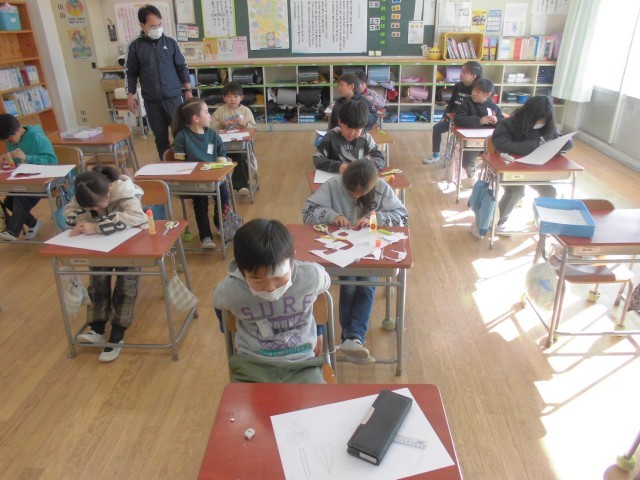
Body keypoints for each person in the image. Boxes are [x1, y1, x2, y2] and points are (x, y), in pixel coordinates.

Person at [302, 160, 408, 360]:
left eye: (361, 194)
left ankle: (353, 337)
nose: (356, 197)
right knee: (349, 285)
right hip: (340, 249)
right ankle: (352, 337)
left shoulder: (382, 188)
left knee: (366, 286)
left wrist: (375, 218)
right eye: (351, 193)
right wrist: (332, 216)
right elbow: (308, 212)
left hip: (371, 250)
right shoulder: (333, 185)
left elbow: (402, 217)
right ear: (344, 181)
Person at [213, 219, 331, 383]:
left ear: (292, 262)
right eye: (258, 281)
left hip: (302, 365)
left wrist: (318, 330)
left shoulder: (310, 276)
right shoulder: (232, 289)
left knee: (318, 400)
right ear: (242, 271)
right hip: (251, 366)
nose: (270, 288)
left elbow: (320, 294)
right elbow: (218, 303)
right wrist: (225, 327)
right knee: (240, 400)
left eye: (278, 277)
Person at [63, 165, 148, 362]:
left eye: (97, 205)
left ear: (109, 190)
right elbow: (69, 212)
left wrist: (97, 226)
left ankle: (117, 334)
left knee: (126, 284)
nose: (95, 209)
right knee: (97, 281)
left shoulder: (125, 193)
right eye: (91, 207)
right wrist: (81, 222)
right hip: (100, 247)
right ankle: (97, 328)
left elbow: (138, 216)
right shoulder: (86, 194)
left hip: (131, 248)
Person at [492, 95, 573, 232]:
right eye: (538, 119)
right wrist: (535, 145)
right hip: (511, 168)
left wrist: (566, 142)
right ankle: (497, 222)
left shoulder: (547, 127)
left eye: (544, 120)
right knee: (516, 191)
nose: (541, 122)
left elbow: (559, 139)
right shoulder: (508, 124)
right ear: (528, 114)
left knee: (550, 191)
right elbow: (502, 144)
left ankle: (542, 219)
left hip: (535, 169)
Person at [125, 4, 192, 160]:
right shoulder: (135, 46)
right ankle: (165, 164)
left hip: (173, 98)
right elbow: (130, 73)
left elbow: (182, 67)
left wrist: (188, 90)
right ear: (142, 25)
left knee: (182, 134)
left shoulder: (170, 42)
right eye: (153, 26)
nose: (157, 28)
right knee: (161, 138)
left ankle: (186, 165)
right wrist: (130, 95)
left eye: (160, 25)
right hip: (152, 101)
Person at [171, 97, 228, 249]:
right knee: (200, 202)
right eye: (207, 112)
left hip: (214, 177)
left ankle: (221, 224)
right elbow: (180, 163)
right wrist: (194, 174)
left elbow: (221, 153)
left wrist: (219, 167)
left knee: (223, 195)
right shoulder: (182, 136)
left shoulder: (212, 134)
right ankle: (206, 236)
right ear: (196, 118)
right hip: (195, 180)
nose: (210, 116)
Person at [0, 114, 57, 241]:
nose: (9, 143)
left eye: (10, 140)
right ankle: (33, 223)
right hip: (24, 179)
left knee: (20, 199)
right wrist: (6, 156)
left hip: (45, 179)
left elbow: (51, 160)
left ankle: (13, 232)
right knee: (9, 201)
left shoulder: (36, 137)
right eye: (6, 141)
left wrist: (27, 157)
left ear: (18, 130)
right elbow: (16, 158)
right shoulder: (12, 138)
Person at [424, 60, 482, 164]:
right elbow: (451, 102)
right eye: (461, 71)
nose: (461, 74)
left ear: (473, 76)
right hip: (454, 119)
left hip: (467, 122)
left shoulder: (477, 91)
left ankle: (465, 158)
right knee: (437, 128)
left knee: (459, 138)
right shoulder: (458, 86)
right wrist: (445, 115)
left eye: (464, 72)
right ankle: (436, 155)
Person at [211, 81, 257, 196]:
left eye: (235, 96)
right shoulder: (220, 111)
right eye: (229, 96)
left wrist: (245, 124)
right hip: (223, 144)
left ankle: (241, 186)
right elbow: (210, 128)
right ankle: (215, 186)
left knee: (240, 157)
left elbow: (254, 128)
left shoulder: (245, 111)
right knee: (216, 157)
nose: (232, 99)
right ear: (223, 98)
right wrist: (220, 124)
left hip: (242, 144)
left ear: (241, 97)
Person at [313, 100, 385, 173]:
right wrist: (337, 166)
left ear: (363, 126)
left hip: (358, 177)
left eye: (357, 130)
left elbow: (380, 161)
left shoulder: (366, 138)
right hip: (334, 177)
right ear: (340, 121)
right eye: (348, 128)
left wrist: (367, 165)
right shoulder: (331, 136)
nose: (352, 133)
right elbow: (317, 159)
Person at [453, 78, 503, 179]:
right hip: (472, 141)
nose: (474, 93)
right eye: (473, 90)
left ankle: (486, 173)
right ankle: (473, 174)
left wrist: (496, 121)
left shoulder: (494, 107)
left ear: (488, 94)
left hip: (490, 141)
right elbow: (458, 119)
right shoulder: (467, 104)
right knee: (467, 164)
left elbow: (503, 123)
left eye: (478, 92)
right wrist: (479, 121)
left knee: (498, 161)